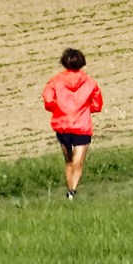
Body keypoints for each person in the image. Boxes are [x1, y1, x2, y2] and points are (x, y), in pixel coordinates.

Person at [42, 47, 104, 197]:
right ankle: (72, 191)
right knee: (78, 161)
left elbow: (48, 100)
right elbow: (97, 105)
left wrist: (59, 108)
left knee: (68, 161)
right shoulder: (90, 82)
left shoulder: (55, 81)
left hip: (62, 126)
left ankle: (70, 191)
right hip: (82, 127)